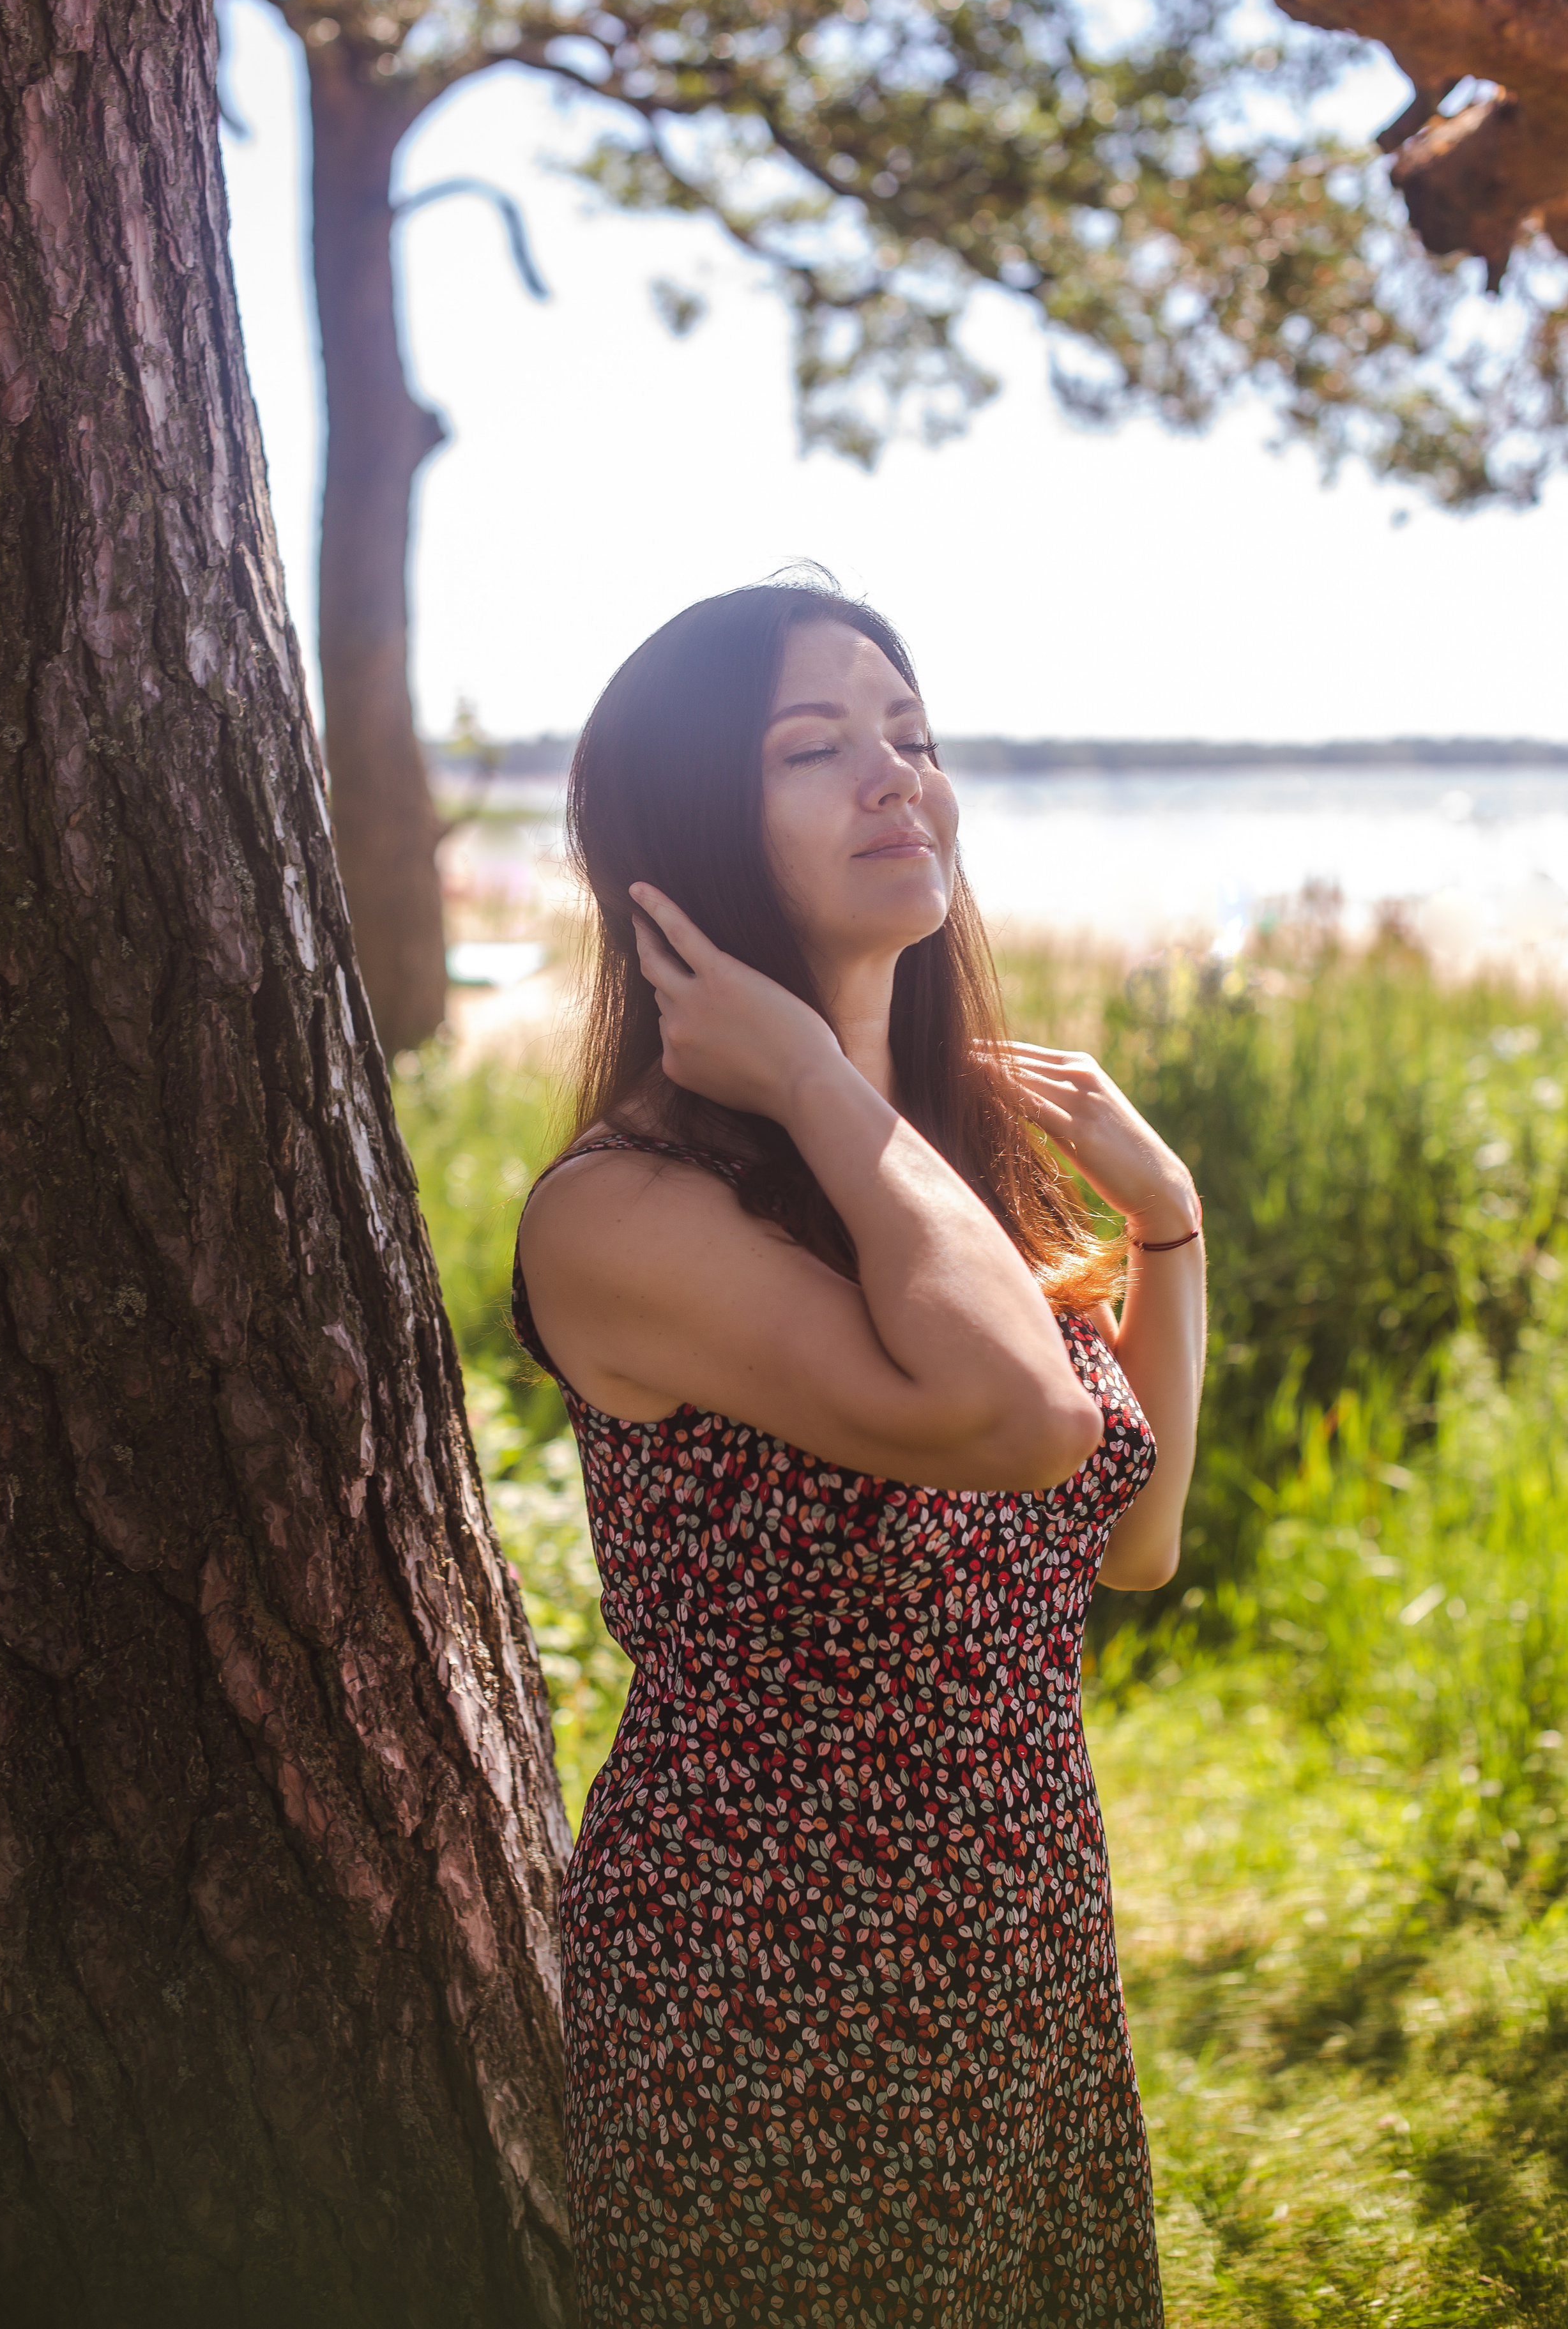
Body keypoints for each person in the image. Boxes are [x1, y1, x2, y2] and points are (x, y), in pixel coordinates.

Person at [514, 576, 1206, 2328]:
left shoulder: (924, 1184)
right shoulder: (624, 1212)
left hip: (1018, 1951)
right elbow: (1023, 1420)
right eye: (815, 744)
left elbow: (1126, 1540)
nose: (898, 773)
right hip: (774, 2004)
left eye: (909, 730)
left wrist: (1171, 1231)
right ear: (683, 836)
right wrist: (824, 1080)